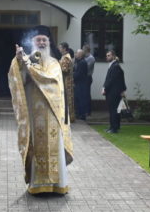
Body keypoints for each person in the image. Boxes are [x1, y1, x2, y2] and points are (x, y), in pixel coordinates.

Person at [8, 32, 73, 194]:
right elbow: (18, 81)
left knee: (55, 147)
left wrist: (30, 68)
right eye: (38, 40)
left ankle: (58, 186)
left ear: (49, 43)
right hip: (34, 115)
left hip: (53, 114)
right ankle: (37, 185)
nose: (42, 42)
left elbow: (51, 82)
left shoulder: (54, 63)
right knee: (36, 147)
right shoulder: (25, 60)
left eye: (45, 40)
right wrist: (19, 61)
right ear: (32, 42)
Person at [102, 49, 126, 134]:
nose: (107, 57)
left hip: (113, 92)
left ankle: (114, 128)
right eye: (107, 55)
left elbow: (110, 80)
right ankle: (113, 126)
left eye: (109, 55)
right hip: (113, 92)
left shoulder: (115, 66)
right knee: (114, 110)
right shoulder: (114, 65)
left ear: (113, 56)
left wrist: (105, 88)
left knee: (114, 110)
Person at [59, 42, 75, 123]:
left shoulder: (66, 58)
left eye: (60, 47)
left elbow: (64, 70)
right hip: (66, 80)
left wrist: (56, 68)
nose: (59, 49)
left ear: (64, 48)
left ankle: (68, 117)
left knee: (66, 99)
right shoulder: (64, 57)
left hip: (66, 81)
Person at [73, 49, 89, 121]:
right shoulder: (79, 62)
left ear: (80, 55)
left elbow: (78, 74)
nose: (75, 54)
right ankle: (79, 114)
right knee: (78, 99)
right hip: (79, 83)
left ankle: (82, 115)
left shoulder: (82, 62)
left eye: (77, 53)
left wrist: (71, 76)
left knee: (81, 99)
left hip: (81, 84)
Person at [82, 44, 95, 116]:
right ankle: (85, 110)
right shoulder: (85, 57)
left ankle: (88, 111)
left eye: (83, 50)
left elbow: (86, 67)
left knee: (87, 94)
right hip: (84, 78)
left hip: (87, 77)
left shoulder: (91, 58)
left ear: (86, 50)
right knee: (84, 94)